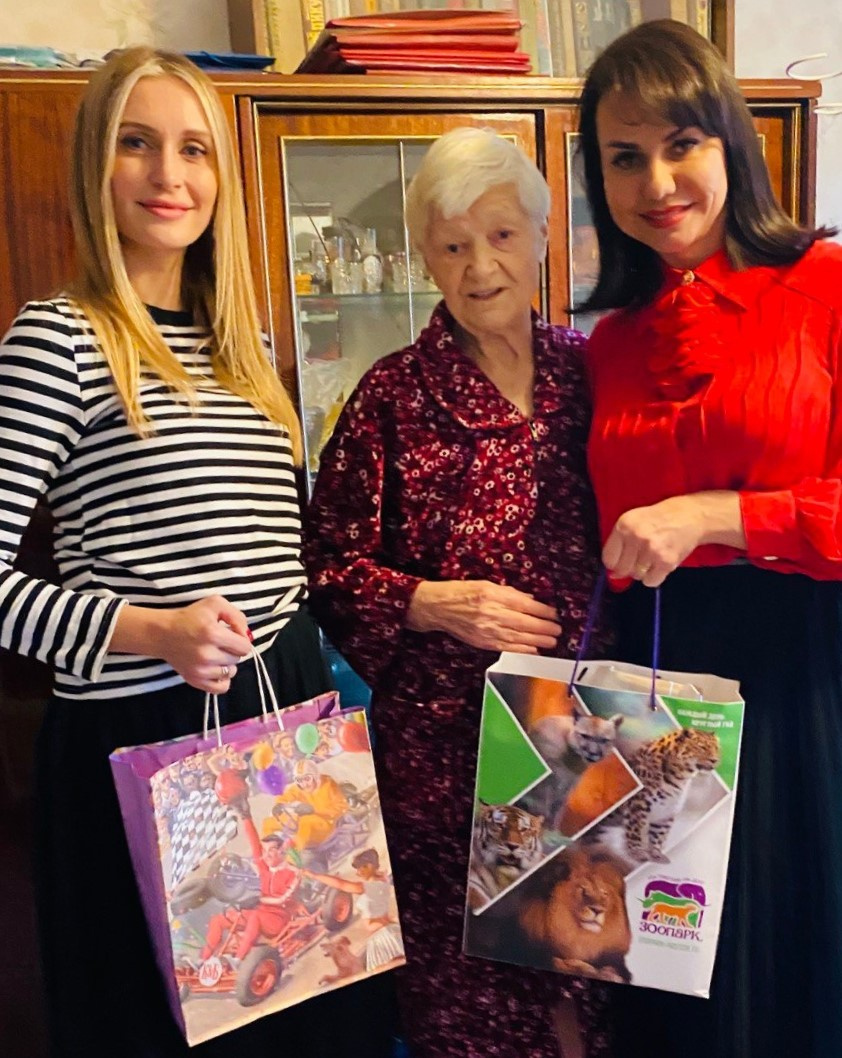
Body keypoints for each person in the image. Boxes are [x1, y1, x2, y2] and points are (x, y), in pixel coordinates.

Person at [0, 46, 395, 1058]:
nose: (168, 175)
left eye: (193, 149)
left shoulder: (243, 345)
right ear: (94, 166)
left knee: (314, 1008)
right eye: (136, 143)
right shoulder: (61, 339)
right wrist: (149, 629)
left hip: (284, 722)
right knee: (172, 1025)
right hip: (149, 734)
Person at [304, 126, 611, 1058]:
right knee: (464, 1008)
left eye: (502, 235)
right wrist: (428, 601)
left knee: (590, 979)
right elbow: (325, 567)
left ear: (543, 236)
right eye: (451, 244)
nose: (480, 267)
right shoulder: (391, 397)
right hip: (447, 763)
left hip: (594, 742)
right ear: (425, 258)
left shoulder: (592, 376)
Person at [575, 18, 842, 1058]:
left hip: (801, 679)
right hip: (657, 679)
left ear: (732, 142)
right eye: (624, 156)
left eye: (680, 144)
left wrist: (713, 515)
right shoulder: (607, 343)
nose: (656, 182)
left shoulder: (823, 286)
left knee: (788, 956)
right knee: (669, 970)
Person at [266, 757, 349, 850]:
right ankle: (268, 850)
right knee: (270, 822)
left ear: (315, 776)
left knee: (305, 822)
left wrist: (314, 811)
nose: (304, 784)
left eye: (307, 779)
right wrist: (279, 805)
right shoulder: (298, 788)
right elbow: (285, 797)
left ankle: (296, 854)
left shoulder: (327, 785)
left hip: (326, 824)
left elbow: (342, 807)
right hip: (302, 823)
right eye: (300, 780)